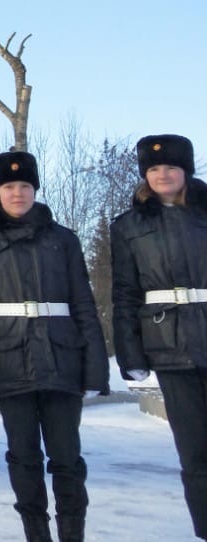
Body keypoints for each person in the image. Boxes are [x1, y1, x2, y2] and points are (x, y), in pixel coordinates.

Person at [0, 152, 109, 542]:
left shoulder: (63, 239)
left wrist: (95, 369)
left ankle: (72, 534)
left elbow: (83, 305)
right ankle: (36, 535)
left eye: (25, 186)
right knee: (23, 458)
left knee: (66, 458)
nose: (17, 193)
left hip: (63, 358)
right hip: (9, 360)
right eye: (9, 187)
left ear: (35, 189)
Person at [110, 134, 207, 540]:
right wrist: (131, 351)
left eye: (169, 167)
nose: (162, 174)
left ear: (185, 171)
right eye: (153, 169)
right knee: (195, 452)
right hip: (169, 347)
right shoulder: (129, 227)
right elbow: (125, 292)